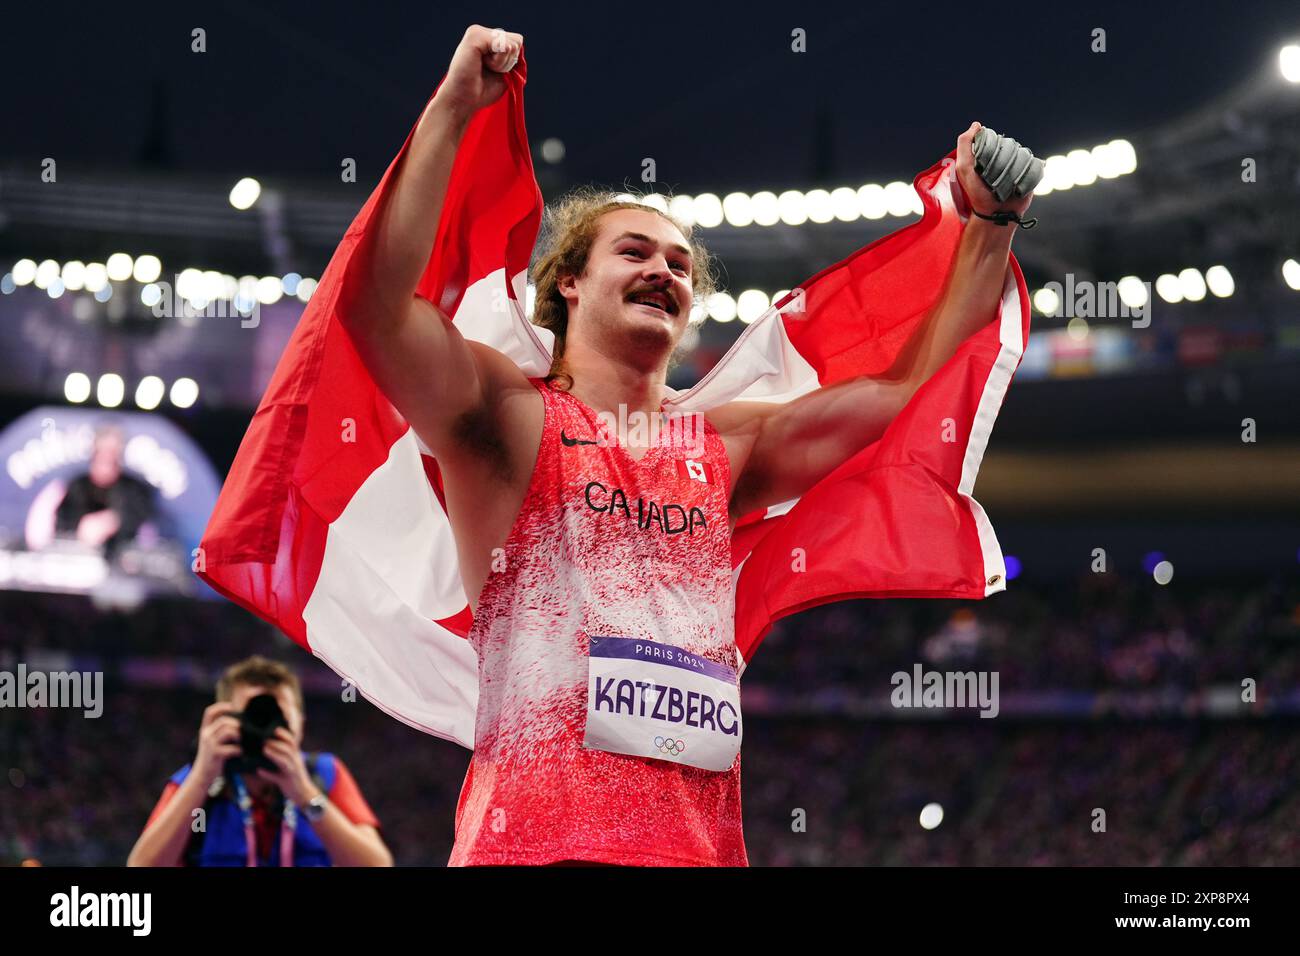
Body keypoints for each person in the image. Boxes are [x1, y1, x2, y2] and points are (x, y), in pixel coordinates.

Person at [338, 24, 1032, 866]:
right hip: (533, 849)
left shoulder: (724, 446)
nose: (663, 269)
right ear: (568, 282)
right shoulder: (509, 419)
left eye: (677, 263)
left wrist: (988, 224)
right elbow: (378, 308)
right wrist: (452, 109)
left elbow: (904, 400)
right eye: (633, 252)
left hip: (700, 852)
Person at [127, 656, 392, 867]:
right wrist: (202, 778)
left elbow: (377, 865)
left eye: (278, 716)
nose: (267, 726)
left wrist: (305, 794)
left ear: (300, 723)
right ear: (224, 720)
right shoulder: (194, 781)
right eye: (254, 715)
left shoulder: (323, 773)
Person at [54, 424, 155, 559]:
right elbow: (62, 523)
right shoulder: (77, 485)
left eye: (112, 451)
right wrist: (82, 528)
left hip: (121, 565)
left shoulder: (134, 489)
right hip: (78, 561)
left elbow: (142, 520)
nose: (107, 456)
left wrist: (113, 521)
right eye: (103, 450)